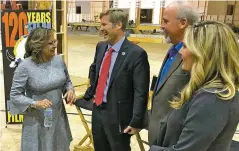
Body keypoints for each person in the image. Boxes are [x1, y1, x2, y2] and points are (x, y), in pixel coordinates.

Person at [149, 20, 239, 151]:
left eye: (185, 46)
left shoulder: (212, 99)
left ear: (203, 53)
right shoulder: (207, 91)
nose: (181, 52)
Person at [83, 9, 150, 151]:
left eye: (104, 25)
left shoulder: (136, 54)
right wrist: (91, 93)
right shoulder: (101, 47)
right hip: (98, 111)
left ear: (118, 25)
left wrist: (137, 121)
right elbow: (95, 70)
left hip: (120, 116)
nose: (101, 29)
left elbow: (140, 91)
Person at [9, 27, 76, 151]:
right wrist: (35, 103)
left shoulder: (58, 60)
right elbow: (14, 95)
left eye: (55, 41)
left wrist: (70, 90)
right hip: (37, 121)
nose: (55, 45)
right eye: (50, 43)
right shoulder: (25, 67)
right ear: (38, 46)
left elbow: (66, 81)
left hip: (58, 117)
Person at [148, 1, 199, 145]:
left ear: (183, 23)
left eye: (165, 21)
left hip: (174, 138)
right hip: (158, 132)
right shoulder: (172, 50)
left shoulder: (194, 57)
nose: (161, 26)